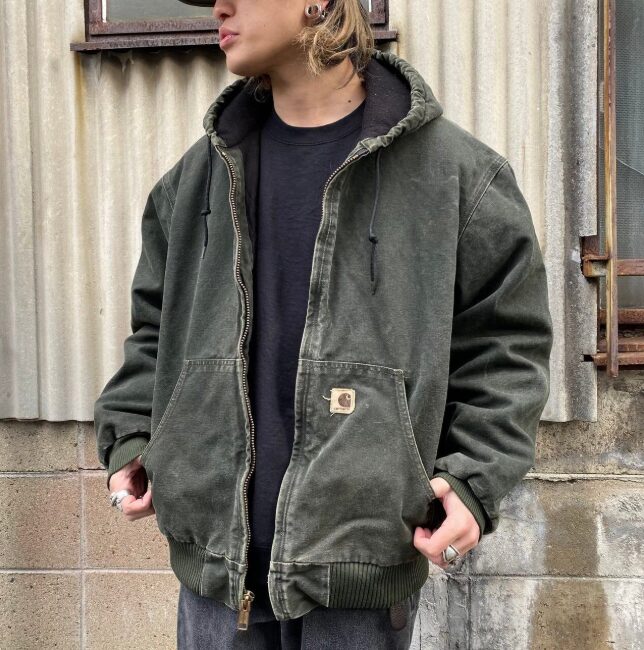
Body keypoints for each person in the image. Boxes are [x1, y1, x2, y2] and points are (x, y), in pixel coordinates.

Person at [95, 0, 553, 647]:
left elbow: (508, 347)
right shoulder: (192, 183)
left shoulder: (459, 178)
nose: (219, 6)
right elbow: (153, 333)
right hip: (215, 585)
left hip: (358, 587)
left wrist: (472, 479)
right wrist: (133, 435)